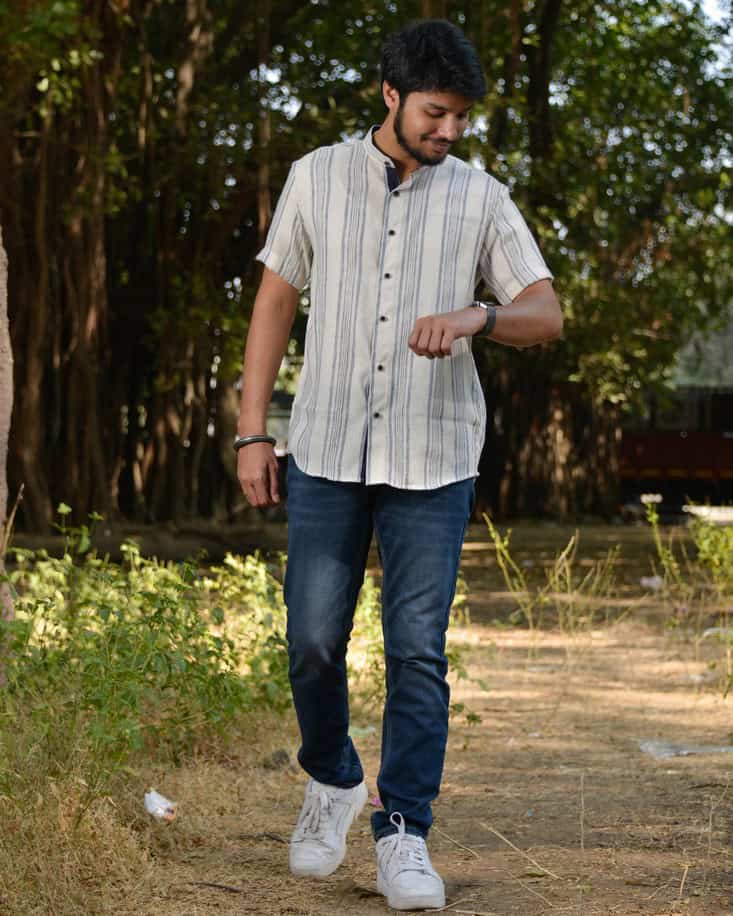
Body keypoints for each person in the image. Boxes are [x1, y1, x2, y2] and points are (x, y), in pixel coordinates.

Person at [236, 19, 562, 911]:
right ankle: (333, 777)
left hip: (434, 454)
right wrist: (252, 431)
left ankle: (403, 830)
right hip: (326, 448)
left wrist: (476, 316)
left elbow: (544, 312)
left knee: (416, 652)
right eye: (433, 113)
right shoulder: (315, 176)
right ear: (390, 94)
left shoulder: (481, 197)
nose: (448, 130)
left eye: (459, 117)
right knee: (311, 641)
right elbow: (274, 300)